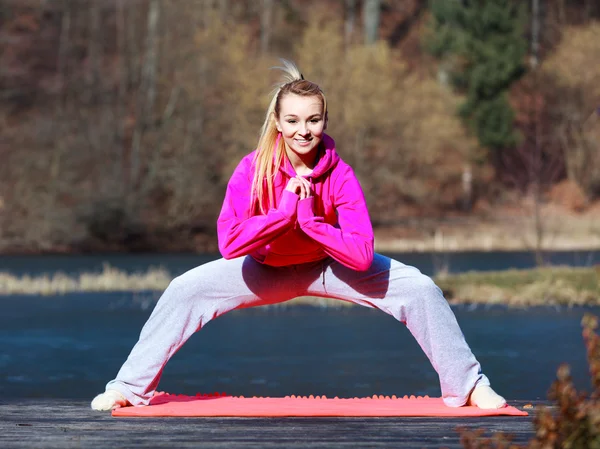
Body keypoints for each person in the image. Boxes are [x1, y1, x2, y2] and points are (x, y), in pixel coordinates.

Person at [91, 60, 506, 411]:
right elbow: (230, 243)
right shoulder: (252, 169)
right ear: (277, 122)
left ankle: (468, 386)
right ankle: (128, 388)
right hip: (265, 268)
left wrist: (310, 223)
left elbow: (361, 255)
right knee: (184, 290)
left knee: (420, 289)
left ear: (325, 121)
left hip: (332, 267)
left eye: (313, 120)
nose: (303, 130)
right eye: (292, 120)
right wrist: (285, 212)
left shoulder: (339, 175)